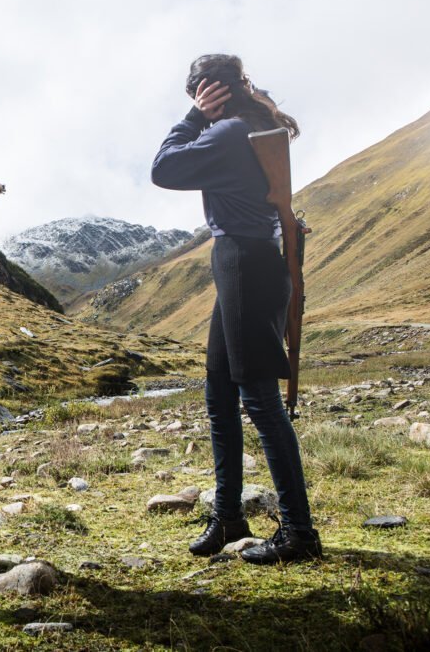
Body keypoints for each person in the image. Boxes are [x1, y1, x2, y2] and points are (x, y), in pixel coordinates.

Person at [150, 54, 322, 565]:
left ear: (209, 91)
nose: (194, 105)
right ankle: (228, 515)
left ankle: (299, 532)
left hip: (244, 262)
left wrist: (194, 118)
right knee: (220, 393)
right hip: (250, 263)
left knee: (261, 403)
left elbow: (164, 168)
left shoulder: (226, 132)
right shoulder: (255, 124)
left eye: (196, 96)